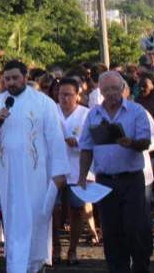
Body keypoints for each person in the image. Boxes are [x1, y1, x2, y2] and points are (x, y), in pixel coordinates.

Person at [0, 60, 69, 273]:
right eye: (7, 79)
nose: (10, 82)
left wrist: (58, 174)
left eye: (15, 78)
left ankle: (35, 267)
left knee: (36, 222)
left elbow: (55, 139)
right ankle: (16, 267)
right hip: (8, 176)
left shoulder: (43, 103)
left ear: (25, 77)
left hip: (36, 177)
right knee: (13, 226)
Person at [77, 71, 152, 273]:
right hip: (105, 180)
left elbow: (146, 141)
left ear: (123, 89)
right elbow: (86, 147)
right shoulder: (93, 114)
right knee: (111, 231)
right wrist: (82, 176)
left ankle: (140, 265)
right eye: (107, 89)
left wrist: (131, 143)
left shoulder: (136, 111)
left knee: (134, 229)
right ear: (100, 91)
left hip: (132, 179)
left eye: (115, 89)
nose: (111, 93)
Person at [56, 77, 98, 265]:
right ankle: (55, 247)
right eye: (61, 94)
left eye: (68, 95)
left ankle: (72, 250)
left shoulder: (87, 114)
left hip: (78, 168)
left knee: (76, 209)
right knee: (53, 209)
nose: (64, 99)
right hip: (55, 168)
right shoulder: (52, 112)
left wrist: (78, 142)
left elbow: (94, 140)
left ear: (78, 96)